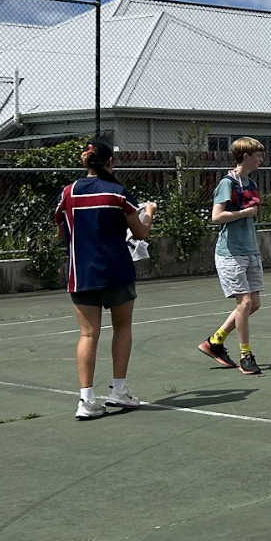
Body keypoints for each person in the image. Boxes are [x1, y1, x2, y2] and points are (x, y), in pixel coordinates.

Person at [53, 139, 157, 420]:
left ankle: (86, 400)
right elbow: (140, 233)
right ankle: (119, 390)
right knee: (122, 327)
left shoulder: (68, 192)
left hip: (81, 274)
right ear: (111, 162)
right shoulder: (118, 193)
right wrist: (149, 213)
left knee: (88, 334)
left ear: (85, 162)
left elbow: (61, 232)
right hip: (116, 272)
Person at [200, 137, 267, 375]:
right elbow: (216, 217)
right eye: (258, 155)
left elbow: (248, 222)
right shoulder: (227, 183)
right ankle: (246, 355)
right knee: (245, 302)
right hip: (230, 253)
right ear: (246, 157)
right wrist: (244, 212)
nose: (261, 159)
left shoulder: (250, 183)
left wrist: (256, 249)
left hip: (249, 250)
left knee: (254, 303)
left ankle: (215, 341)